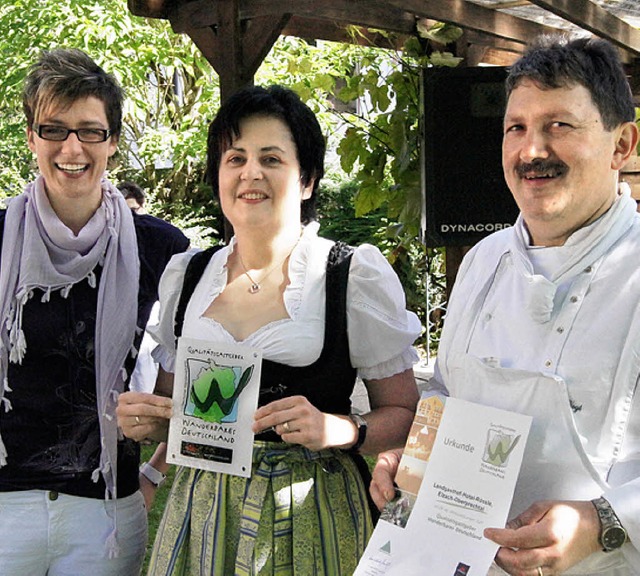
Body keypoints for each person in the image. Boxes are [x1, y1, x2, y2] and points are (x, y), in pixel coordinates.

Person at [117, 84, 421, 575]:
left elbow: (405, 412)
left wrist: (342, 429)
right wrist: (149, 420)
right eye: (234, 158)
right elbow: (175, 415)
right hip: (203, 511)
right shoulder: (187, 277)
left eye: (271, 158)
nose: (250, 172)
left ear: (307, 180)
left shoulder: (349, 275)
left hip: (310, 512)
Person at [371, 35, 640, 576]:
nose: (532, 151)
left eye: (559, 125)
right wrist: (417, 459)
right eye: (516, 128)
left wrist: (604, 522)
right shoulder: (482, 262)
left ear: (622, 145)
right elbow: (447, 393)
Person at [0, 48, 189, 575]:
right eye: (54, 129)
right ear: (32, 137)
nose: (72, 147)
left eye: (90, 130)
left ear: (113, 141)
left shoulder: (162, 248)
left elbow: (188, 378)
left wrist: (154, 471)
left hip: (105, 511)